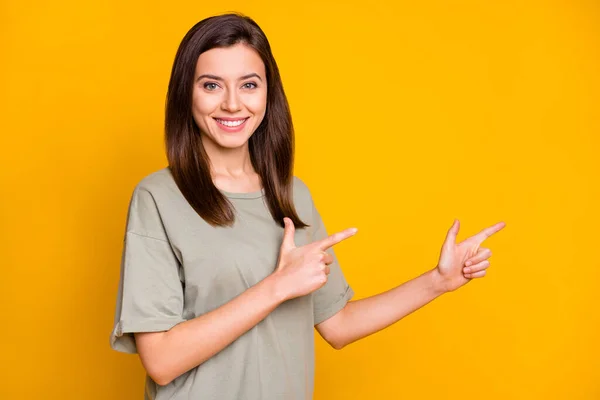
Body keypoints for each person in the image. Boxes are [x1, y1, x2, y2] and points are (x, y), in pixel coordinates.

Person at [110, 12, 506, 400]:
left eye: (249, 85)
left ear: (269, 93)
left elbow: (338, 324)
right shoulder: (159, 197)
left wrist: (438, 281)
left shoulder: (292, 196)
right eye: (211, 86)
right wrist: (277, 287)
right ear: (186, 94)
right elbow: (160, 360)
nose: (232, 104)